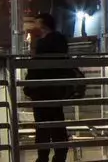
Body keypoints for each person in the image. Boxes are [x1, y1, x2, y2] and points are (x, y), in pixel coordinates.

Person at [25, 12, 76, 162]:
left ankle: (43, 157)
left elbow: (35, 66)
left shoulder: (42, 43)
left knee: (42, 126)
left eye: (36, 24)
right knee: (57, 122)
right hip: (56, 89)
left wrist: (29, 87)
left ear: (42, 25)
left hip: (41, 90)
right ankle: (60, 154)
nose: (34, 27)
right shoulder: (61, 41)